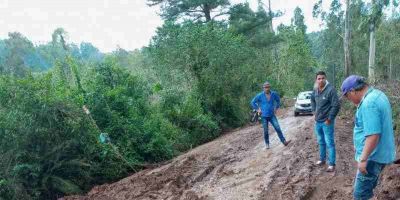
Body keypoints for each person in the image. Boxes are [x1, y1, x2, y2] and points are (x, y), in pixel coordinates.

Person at [341, 75, 396, 200]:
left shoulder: (368, 104)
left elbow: (373, 135)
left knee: (360, 195)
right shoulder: (378, 95)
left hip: (372, 158)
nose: (348, 99)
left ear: (352, 91)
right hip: (380, 154)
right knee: (368, 191)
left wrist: (363, 159)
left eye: (347, 96)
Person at [311, 71, 340, 172]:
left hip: (327, 122)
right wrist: (314, 111)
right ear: (316, 80)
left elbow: (336, 105)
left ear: (325, 78)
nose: (321, 80)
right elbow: (312, 100)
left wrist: (330, 118)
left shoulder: (331, 90)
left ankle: (331, 164)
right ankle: (322, 159)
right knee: (321, 141)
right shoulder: (315, 89)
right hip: (318, 121)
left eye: (323, 78)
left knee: (329, 143)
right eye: (319, 78)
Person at [251, 81, 290, 149]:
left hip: (272, 115)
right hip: (264, 116)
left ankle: (284, 141)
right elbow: (252, 102)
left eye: (268, 87)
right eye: (265, 87)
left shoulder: (274, 94)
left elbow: (278, 101)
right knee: (266, 131)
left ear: (269, 87)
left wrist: (276, 107)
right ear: (263, 88)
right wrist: (258, 109)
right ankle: (267, 144)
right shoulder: (260, 95)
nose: (266, 88)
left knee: (277, 128)